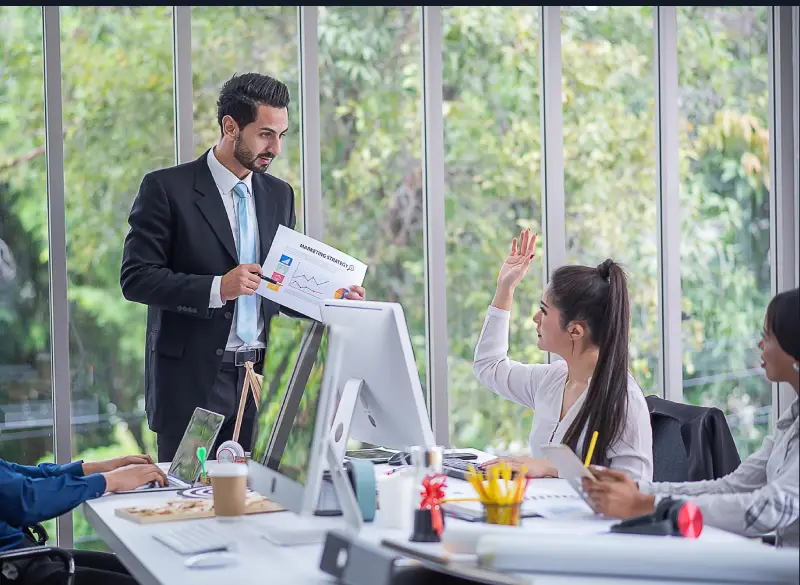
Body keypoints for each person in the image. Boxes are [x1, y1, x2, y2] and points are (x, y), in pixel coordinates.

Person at [120, 73, 366, 462]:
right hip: (195, 384)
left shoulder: (279, 194)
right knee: (189, 499)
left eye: (282, 135)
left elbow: (279, 287)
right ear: (230, 126)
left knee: (263, 501)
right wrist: (219, 287)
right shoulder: (167, 189)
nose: (276, 148)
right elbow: (135, 279)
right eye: (265, 134)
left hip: (265, 384)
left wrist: (332, 299)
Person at [583, 288, 800, 547]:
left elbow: (767, 510)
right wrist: (640, 490)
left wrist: (647, 505)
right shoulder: (791, 421)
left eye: (768, 336)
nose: (760, 344)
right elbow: (734, 486)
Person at [473, 228, 653, 481]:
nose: (536, 319)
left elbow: (635, 490)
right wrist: (505, 288)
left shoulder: (623, 401)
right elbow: (489, 367)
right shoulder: (553, 380)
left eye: (544, 311)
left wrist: (553, 469)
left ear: (575, 330)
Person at [1, 454, 167, 584]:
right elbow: (27, 500)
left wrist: (100, 468)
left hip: (25, 556)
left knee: (143, 571)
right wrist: (109, 481)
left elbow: (22, 476)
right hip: (14, 571)